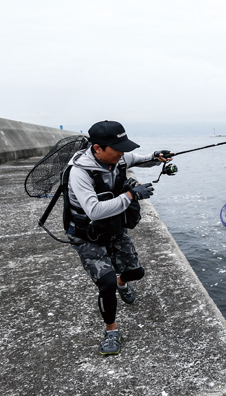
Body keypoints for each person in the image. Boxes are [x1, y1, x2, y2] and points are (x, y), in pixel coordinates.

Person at [65, 120, 172, 355]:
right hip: (86, 235)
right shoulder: (80, 172)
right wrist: (131, 195)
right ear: (98, 148)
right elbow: (94, 210)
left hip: (112, 228)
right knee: (106, 283)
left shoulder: (118, 158)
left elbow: (141, 159)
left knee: (136, 272)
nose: (122, 153)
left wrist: (156, 157)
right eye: (117, 149)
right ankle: (111, 331)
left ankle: (123, 282)